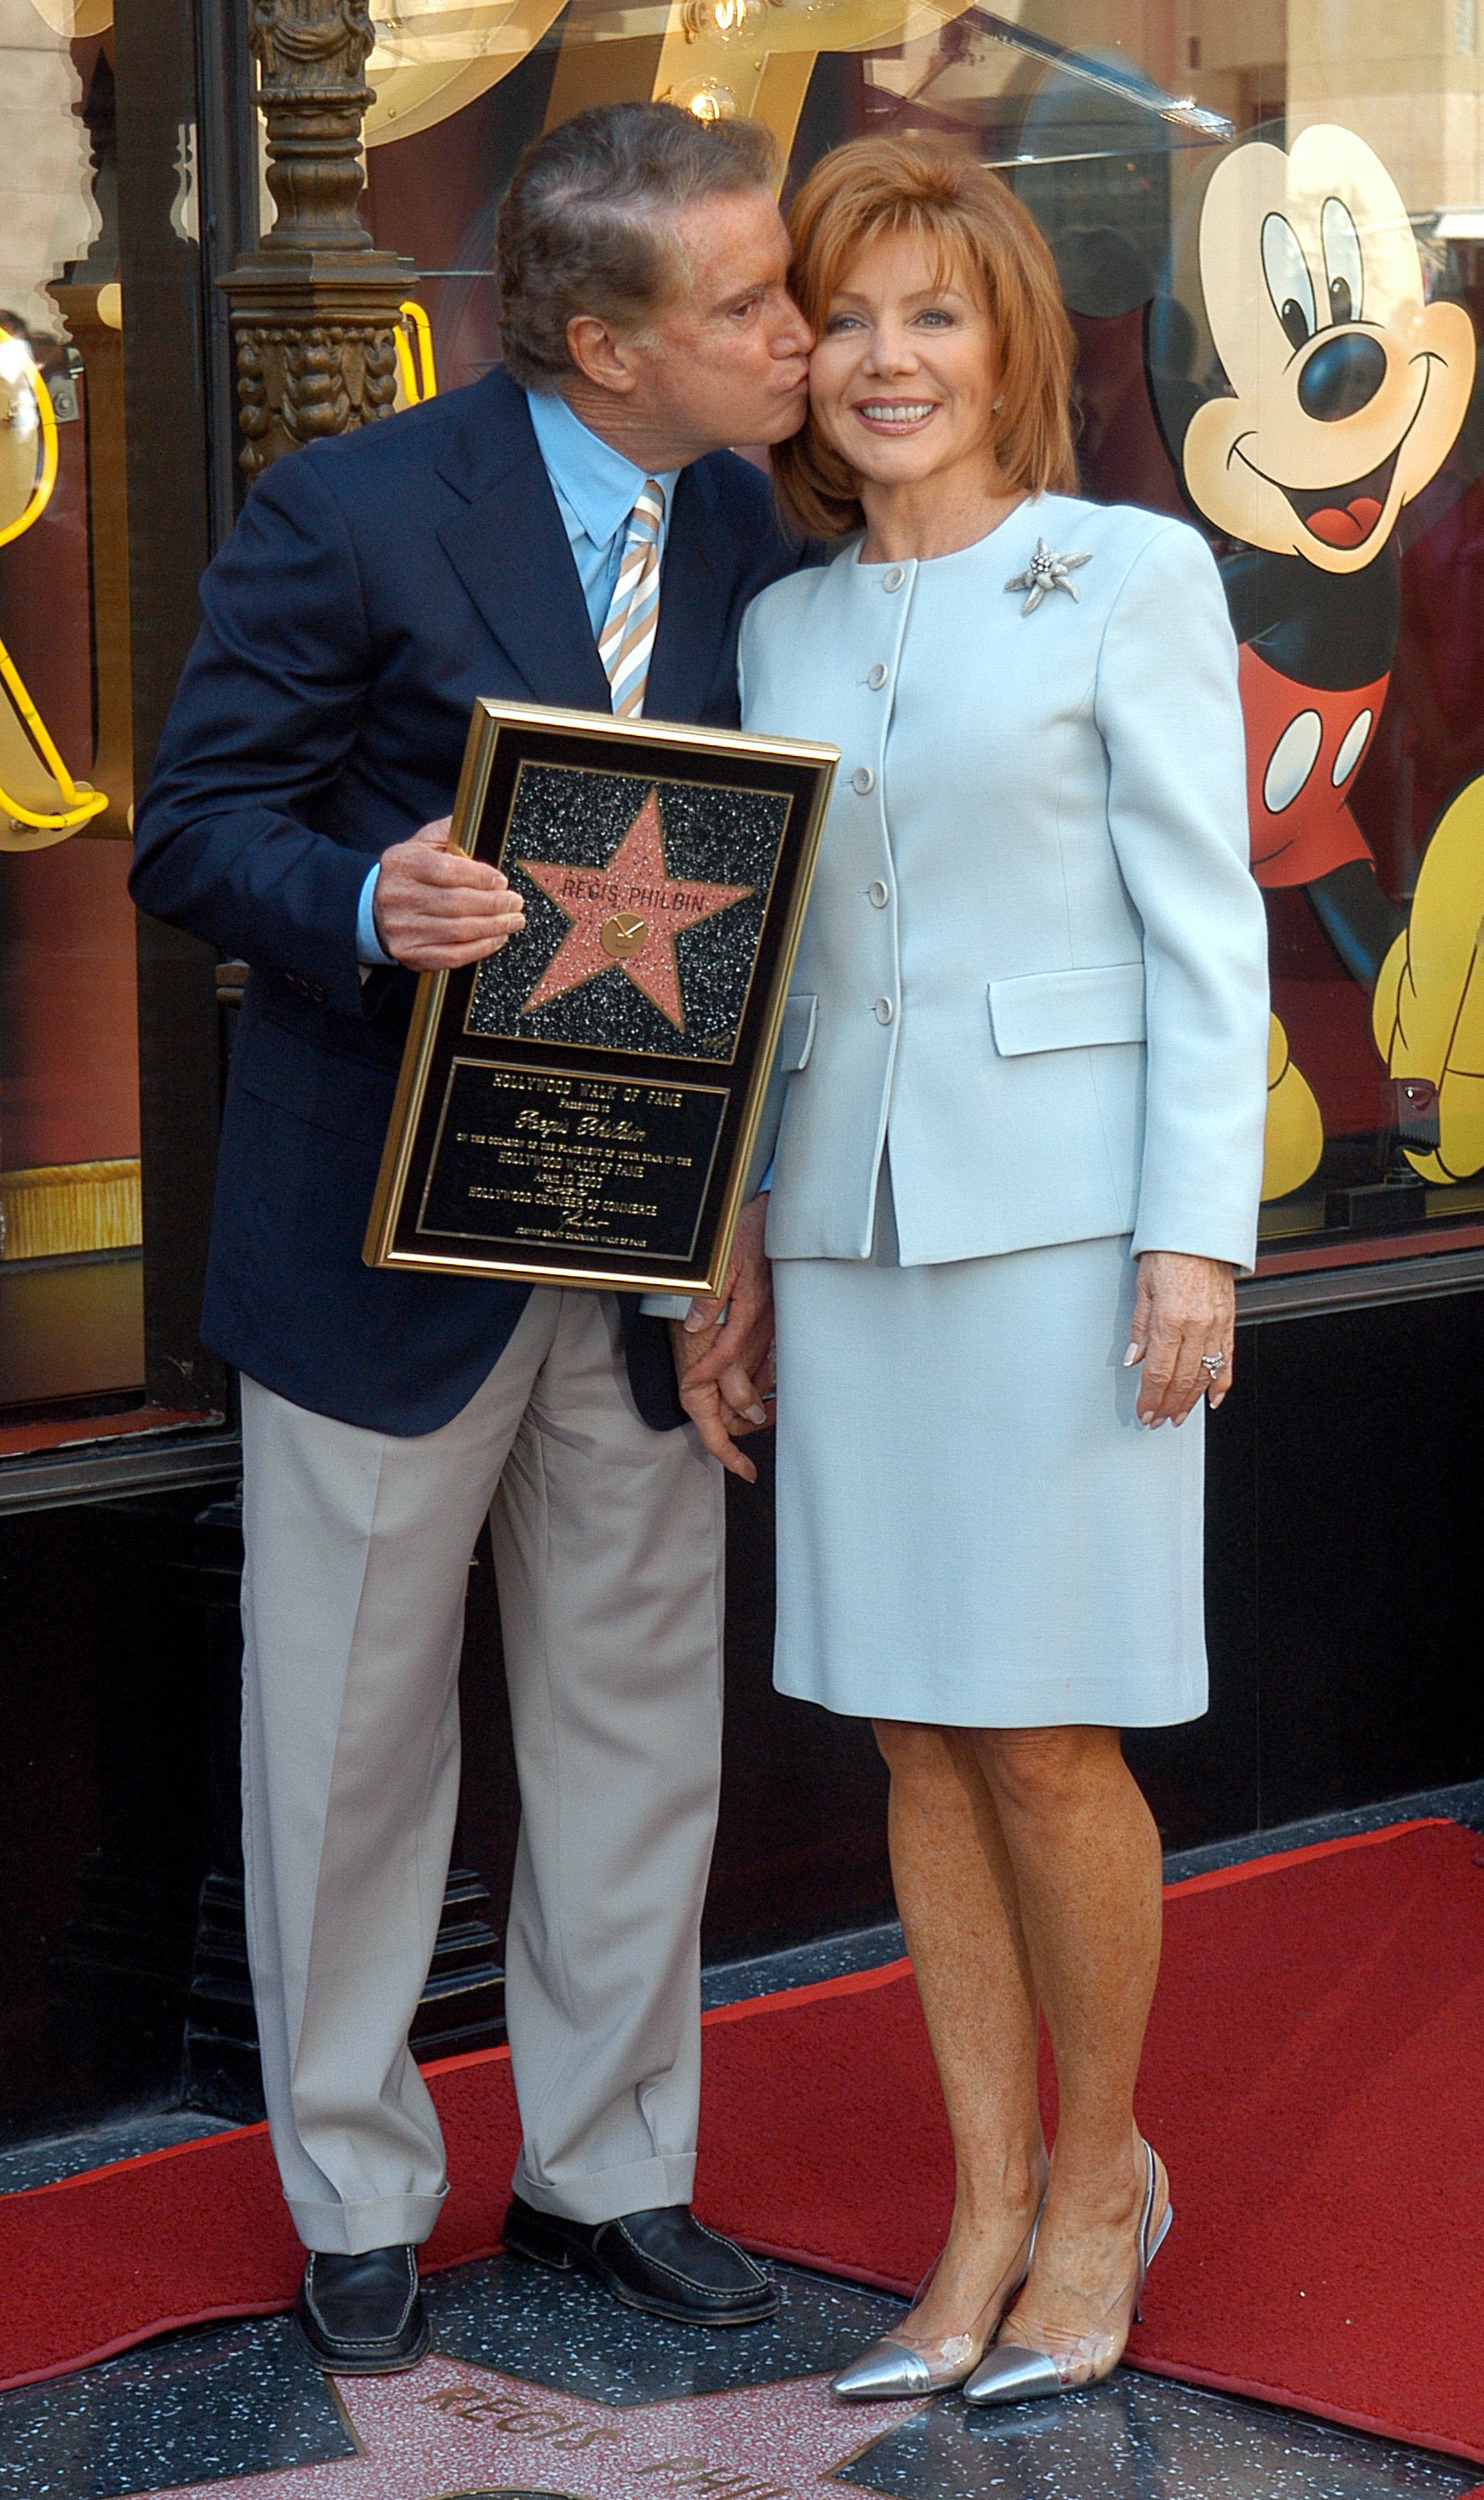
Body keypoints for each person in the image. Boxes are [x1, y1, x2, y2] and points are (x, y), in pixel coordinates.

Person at [130, 101, 811, 2375]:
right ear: (608, 347)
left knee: (637, 1719)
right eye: (749, 303)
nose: (793, 332)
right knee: (343, 1737)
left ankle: (613, 2170)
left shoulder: (751, 520)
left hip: (641, 1249)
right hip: (373, 1253)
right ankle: (353, 2182)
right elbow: (192, 826)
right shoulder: (348, 508)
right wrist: (354, 897)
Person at [731, 138, 1270, 2406]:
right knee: (916, 1738)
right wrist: (737, 1252)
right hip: (848, 1236)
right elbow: (761, 968)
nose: (883, 359)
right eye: (845, 318)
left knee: (1045, 1738)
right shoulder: (778, 625)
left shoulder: (1124, 572)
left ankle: (1094, 2188)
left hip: (1070, 1236)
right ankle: (976, 2208)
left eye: (930, 315)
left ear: (1009, 344)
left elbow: (1207, 923)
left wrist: (1196, 1242)